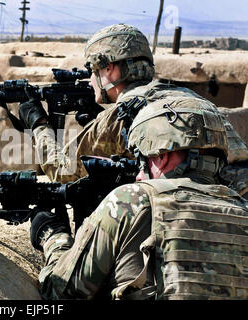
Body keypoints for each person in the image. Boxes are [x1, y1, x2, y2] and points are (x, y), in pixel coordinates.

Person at [29, 94, 248, 300]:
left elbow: (60, 292)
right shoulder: (243, 208)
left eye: (142, 159)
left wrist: (52, 235)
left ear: (162, 156)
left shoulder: (132, 200)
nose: (139, 174)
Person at [17, 23, 248, 199]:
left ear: (110, 68)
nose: (90, 79)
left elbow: (62, 171)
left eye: (93, 69)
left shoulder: (121, 115)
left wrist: (39, 125)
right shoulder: (195, 100)